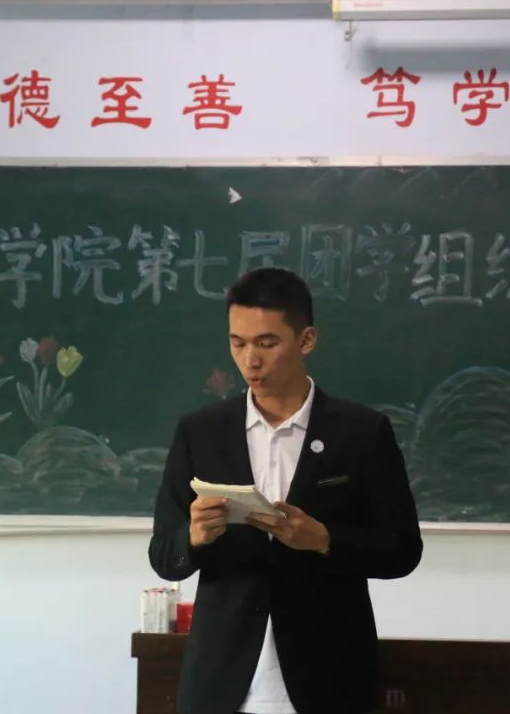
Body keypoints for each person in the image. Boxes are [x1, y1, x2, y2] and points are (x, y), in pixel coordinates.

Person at [148, 267, 423, 714]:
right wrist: (193, 538)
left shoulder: (361, 432)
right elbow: (164, 556)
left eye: (266, 343)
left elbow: (403, 550)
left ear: (306, 340)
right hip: (222, 682)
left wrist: (325, 540)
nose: (250, 360)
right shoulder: (201, 433)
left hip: (329, 679)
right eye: (238, 343)